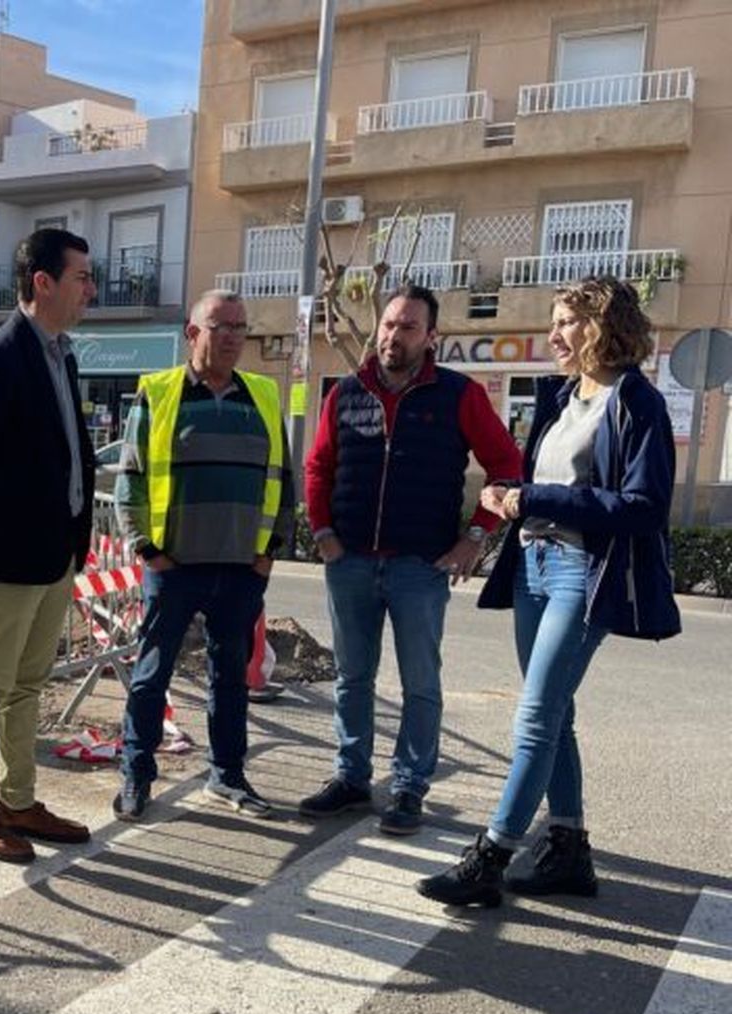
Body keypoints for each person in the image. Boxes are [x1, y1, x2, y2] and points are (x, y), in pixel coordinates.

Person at [418, 277, 680, 907]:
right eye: (555, 322)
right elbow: (545, 484)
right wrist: (511, 497)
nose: (554, 334)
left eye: (566, 322)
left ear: (601, 326)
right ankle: (568, 851)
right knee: (555, 712)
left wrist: (534, 498)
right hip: (533, 565)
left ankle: (491, 856)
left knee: (536, 714)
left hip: (581, 571)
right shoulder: (562, 397)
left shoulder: (636, 402)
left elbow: (643, 506)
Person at [298, 284, 522, 835]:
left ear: (431, 337)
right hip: (350, 561)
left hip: (420, 566)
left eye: (407, 327)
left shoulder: (459, 395)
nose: (393, 336)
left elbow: (506, 467)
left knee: (420, 683)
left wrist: (476, 536)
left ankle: (408, 786)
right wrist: (322, 532)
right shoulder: (346, 393)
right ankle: (351, 778)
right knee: (352, 677)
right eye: (389, 324)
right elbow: (319, 466)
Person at [0, 228, 98, 863]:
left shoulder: (61, 355)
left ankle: (18, 800)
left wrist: (71, 536)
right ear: (43, 282)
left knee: (28, 685)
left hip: (54, 555)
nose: (91, 289)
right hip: (7, 561)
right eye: (82, 277)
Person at [112, 290, 294, 821]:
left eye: (240, 326)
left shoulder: (262, 395)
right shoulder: (158, 392)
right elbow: (131, 479)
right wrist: (147, 550)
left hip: (240, 569)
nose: (234, 336)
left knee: (230, 678)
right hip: (174, 568)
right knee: (152, 675)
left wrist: (269, 553)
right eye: (221, 326)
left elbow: (284, 479)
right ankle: (136, 774)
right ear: (192, 333)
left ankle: (228, 775)